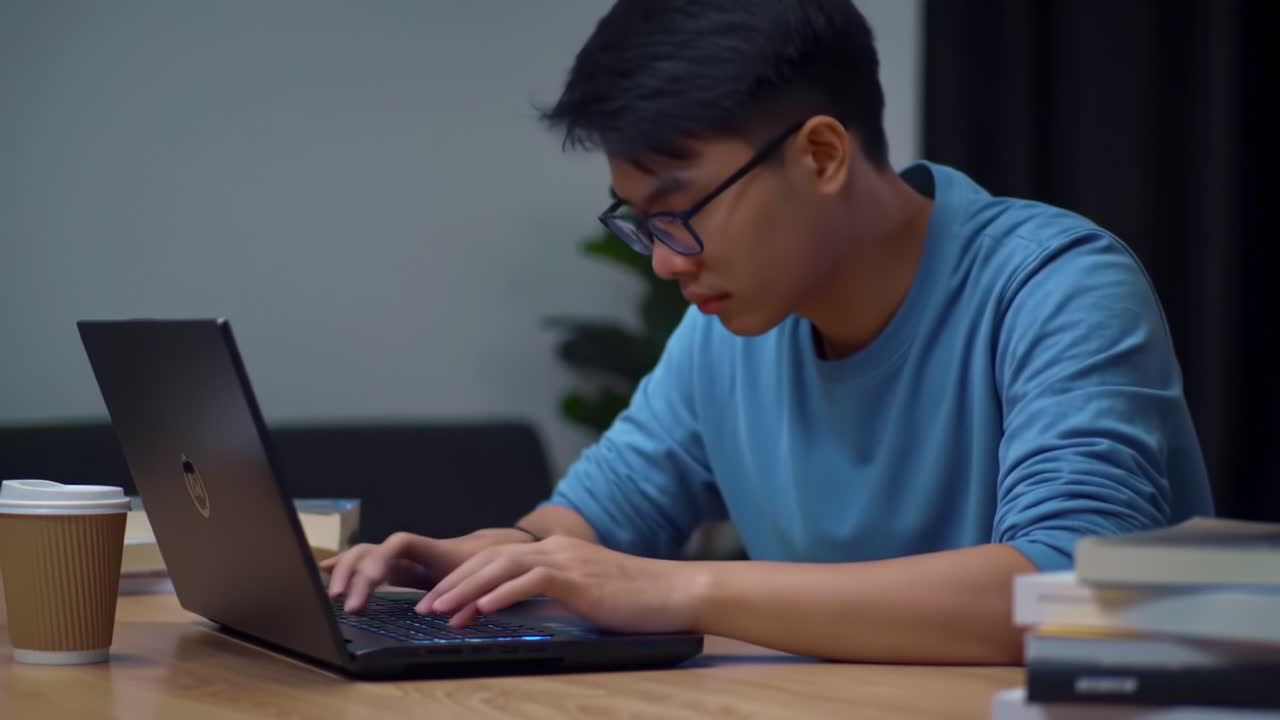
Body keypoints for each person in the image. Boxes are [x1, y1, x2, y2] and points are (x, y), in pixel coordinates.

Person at [321, 0, 1214, 664]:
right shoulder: (731, 326)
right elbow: (595, 518)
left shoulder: (1054, 286)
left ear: (820, 155)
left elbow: (1069, 590)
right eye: (639, 223)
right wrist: (500, 561)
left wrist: (679, 588)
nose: (666, 263)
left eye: (680, 212)